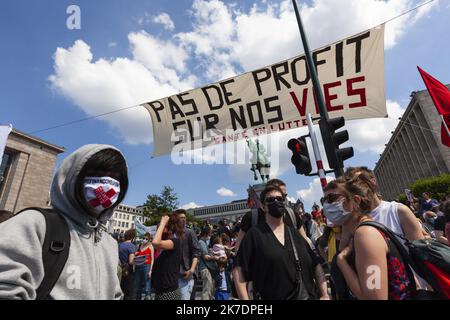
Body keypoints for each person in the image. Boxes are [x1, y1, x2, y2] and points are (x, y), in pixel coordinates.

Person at [0, 144, 127, 299]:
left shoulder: (109, 243)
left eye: (115, 179)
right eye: (96, 175)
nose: (106, 185)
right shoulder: (34, 224)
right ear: (72, 178)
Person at [323, 177, 416, 300]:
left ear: (355, 201)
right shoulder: (362, 232)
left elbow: (374, 298)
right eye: (324, 200)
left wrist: (341, 261)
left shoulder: (366, 235)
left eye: (331, 198)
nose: (326, 205)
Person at [234, 185, 329, 300]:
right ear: (263, 207)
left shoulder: (295, 234)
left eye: (280, 199)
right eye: (270, 200)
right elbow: (238, 270)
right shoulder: (254, 235)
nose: (276, 202)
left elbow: (316, 265)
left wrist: (324, 294)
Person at [151, 214, 184, 300]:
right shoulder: (166, 244)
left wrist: (162, 223)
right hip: (161, 291)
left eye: (162, 227)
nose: (159, 229)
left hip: (169, 292)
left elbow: (155, 243)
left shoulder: (175, 242)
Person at [174, 209, 201, 300]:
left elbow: (196, 252)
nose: (184, 220)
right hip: (173, 275)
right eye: (181, 218)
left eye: (184, 218)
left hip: (186, 275)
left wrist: (192, 270)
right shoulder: (172, 233)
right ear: (176, 220)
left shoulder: (190, 232)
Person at [198, 227, 217, 300]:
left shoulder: (205, 242)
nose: (211, 235)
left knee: (210, 288)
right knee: (207, 288)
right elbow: (206, 257)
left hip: (208, 267)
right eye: (210, 233)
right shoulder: (201, 242)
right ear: (206, 233)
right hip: (204, 267)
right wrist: (215, 258)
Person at [134, 233, 154, 300]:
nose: (144, 240)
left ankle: (147, 296)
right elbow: (136, 254)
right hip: (138, 266)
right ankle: (138, 298)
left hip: (147, 266)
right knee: (137, 284)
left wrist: (150, 270)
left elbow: (152, 259)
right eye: (143, 238)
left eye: (146, 239)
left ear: (149, 240)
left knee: (147, 284)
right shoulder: (139, 245)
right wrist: (136, 254)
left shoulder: (151, 247)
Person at [119, 229, 137, 300]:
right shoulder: (131, 246)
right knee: (129, 293)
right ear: (133, 237)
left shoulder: (120, 244)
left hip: (120, 269)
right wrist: (138, 260)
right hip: (128, 270)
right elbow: (131, 261)